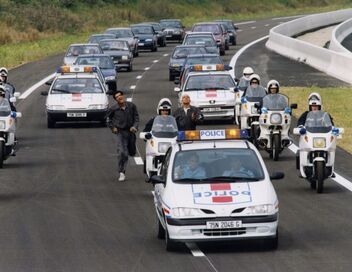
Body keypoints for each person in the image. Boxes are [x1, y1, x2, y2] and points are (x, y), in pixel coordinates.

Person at [106, 90, 139, 182]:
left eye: (120, 95)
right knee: (122, 152)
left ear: (123, 96)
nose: (119, 97)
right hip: (121, 132)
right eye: (117, 97)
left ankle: (128, 153)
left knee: (131, 152)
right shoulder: (113, 109)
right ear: (116, 100)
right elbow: (108, 120)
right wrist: (113, 128)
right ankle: (122, 172)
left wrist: (134, 126)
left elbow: (136, 118)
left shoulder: (131, 106)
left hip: (131, 132)